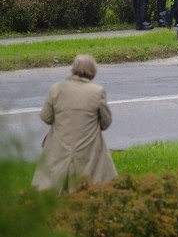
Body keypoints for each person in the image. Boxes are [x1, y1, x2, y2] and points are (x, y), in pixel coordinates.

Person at [31, 54, 117, 194]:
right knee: (98, 181)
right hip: (88, 148)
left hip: (59, 147)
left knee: (49, 180)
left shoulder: (56, 89)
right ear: (93, 71)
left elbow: (46, 117)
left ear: (73, 69)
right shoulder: (97, 92)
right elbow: (106, 122)